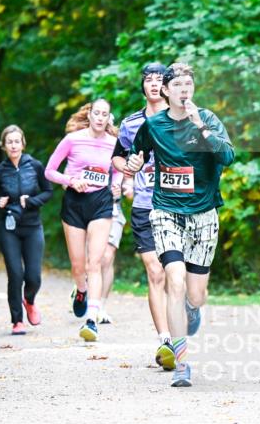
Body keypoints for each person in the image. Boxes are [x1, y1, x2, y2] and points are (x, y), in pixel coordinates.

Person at [119, 63, 234, 387]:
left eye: (189, 85)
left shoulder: (208, 119)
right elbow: (134, 156)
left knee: (195, 295)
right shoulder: (153, 125)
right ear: (165, 91)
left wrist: (202, 128)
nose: (185, 90)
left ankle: (192, 311)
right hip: (166, 211)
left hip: (203, 214)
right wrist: (134, 164)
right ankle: (181, 362)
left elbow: (227, 157)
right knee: (174, 279)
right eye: (178, 85)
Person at [111, 62, 172, 367]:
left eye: (158, 80)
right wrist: (128, 169)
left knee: (177, 276)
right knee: (155, 272)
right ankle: (165, 341)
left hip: (175, 205)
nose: (153, 85)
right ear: (143, 86)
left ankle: (182, 327)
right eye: (148, 80)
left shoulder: (179, 119)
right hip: (144, 205)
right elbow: (118, 158)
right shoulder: (130, 123)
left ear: (166, 86)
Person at [45, 99, 118, 342]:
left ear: (108, 118)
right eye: (96, 113)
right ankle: (82, 291)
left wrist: (117, 184)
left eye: (104, 114)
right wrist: (70, 181)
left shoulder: (113, 144)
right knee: (78, 267)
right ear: (89, 115)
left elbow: (118, 171)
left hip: (101, 202)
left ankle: (91, 319)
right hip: (74, 203)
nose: (100, 118)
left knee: (94, 263)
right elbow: (49, 171)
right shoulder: (72, 140)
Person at [0, 125, 53, 335]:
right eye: (9, 142)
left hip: (32, 227)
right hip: (9, 228)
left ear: (23, 143)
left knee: (33, 277)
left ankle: (29, 300)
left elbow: (48, 191)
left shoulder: (35, 166)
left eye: (17, 141)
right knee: (15, 275)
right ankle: (17, 320)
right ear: (4, 146)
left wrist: (31, 201)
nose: (13, 145)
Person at [98, 174, 133, 324]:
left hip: (114, 210)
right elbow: (67, 181)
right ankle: (82, 287)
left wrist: (127, 188)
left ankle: (100, 307)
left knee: (107, 257)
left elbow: (130, 191)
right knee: (92, 260)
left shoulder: (122, 155)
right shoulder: (87, 151)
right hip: (89, 209)